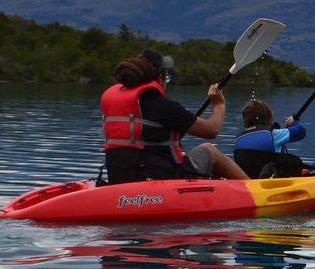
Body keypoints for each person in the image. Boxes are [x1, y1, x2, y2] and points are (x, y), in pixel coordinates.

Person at [100, 49, 248, 184]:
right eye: (167, 77)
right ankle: (253, 189)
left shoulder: (114, 100)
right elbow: (211, 130)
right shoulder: (163, 105)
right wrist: (218, 104)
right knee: (210, 150)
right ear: (160, 77)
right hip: (161, 179)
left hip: (119, 178)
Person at [233, 99, 307, 178]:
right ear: (268, 116)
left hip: (248, 179)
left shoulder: (240, 137)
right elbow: (301, 131)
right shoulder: (274, 134)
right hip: (272, 180)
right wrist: (292, 122)